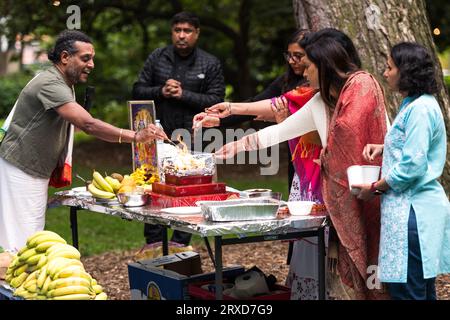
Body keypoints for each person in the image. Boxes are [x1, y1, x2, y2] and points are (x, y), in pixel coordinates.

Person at [213, 35, 390, 299]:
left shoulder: (361, 85)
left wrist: (328, 160)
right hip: (341, 201)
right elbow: (282, 130)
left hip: (373, 197)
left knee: (375, 278)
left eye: (308, 65)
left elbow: (348, 137)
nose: (303, 72)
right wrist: (237, 146)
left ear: (325, 64)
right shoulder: (321, 101)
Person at [0, 30, 167, 251]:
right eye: (85, 58)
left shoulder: (61, 82)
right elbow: (87, 125)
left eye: (92, 58)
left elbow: (82, 124)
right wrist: (136, 136)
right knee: (22, 239)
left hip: (31, 167)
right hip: (21, 167)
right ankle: (14, 282)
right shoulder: (51, 83)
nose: (92, 64)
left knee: (30, 234)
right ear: (65, 57)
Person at [353, 42, 450, 300]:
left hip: (414, 212)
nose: (385, 73)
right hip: (410, 212)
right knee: (421, 291)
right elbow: (414, 148)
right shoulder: (414, 103)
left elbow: (413, 166)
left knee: (409, 293)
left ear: (405, 71)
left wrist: (375, 188)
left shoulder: (420, 109)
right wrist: (384, 147)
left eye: (389, 68)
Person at [132, 11, 225, 246]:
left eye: (187, 31)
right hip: (158, 135)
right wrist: (160, 91)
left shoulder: (210, 62)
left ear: (197, 33)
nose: (182, 35)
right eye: (177, 30)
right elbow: (137, 90)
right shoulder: (158, 57)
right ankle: (153, 242)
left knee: (190, 189)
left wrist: (184, 94)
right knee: (154, 184)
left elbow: (216, 100)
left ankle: (180, 243)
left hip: (192, 136)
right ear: (172, 32)